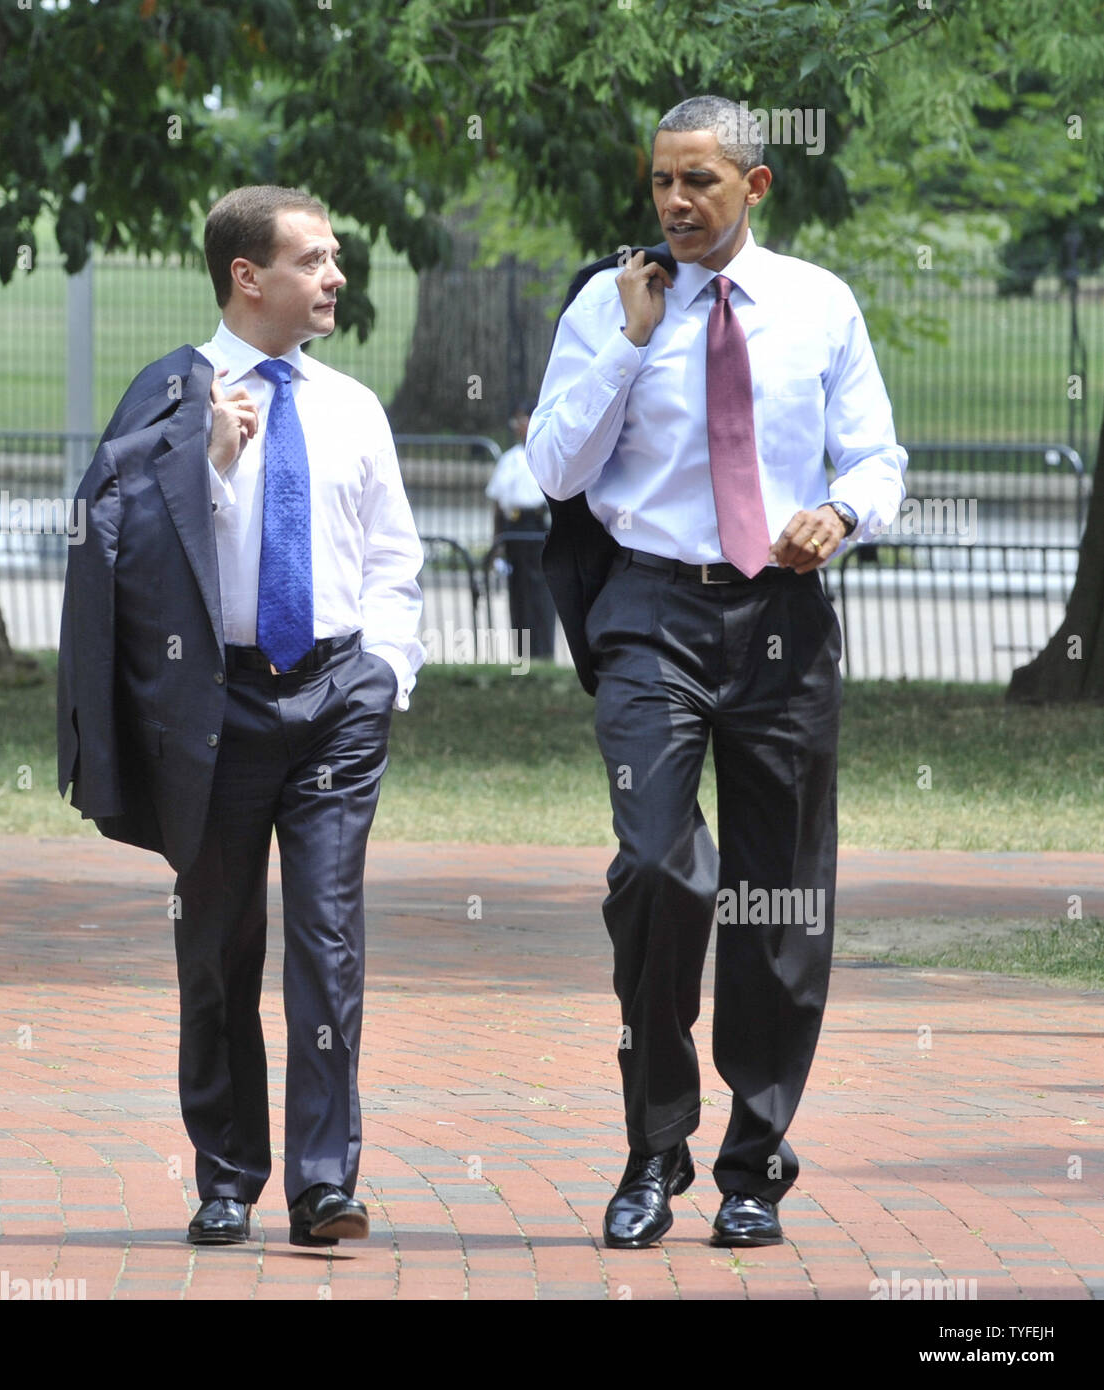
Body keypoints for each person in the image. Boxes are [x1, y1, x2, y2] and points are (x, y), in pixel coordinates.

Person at [526, 96, 906, 1249]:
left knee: (779, 892)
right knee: (656, 868)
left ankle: (754, 1158)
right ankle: (654, 1147)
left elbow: (879, 454)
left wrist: (840, 510)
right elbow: (552, 462)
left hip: (781, 616)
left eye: (701, 182)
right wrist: (635, 338)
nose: (677, 204)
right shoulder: (611, 299)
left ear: (756, 185)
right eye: (661, 184)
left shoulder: (819, 304)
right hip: (648, 606)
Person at [57, 185, 425, 1249]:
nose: (336, 277)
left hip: (336, 701)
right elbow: (113, 548)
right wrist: (209, 466)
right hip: (211, 706)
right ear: (247, 277)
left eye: (336, 257)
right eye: (314, 259)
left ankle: (324, 1183)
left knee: (326, 936)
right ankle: (227, 1174)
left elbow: (394, 554)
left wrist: (387, 673)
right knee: (218, 945)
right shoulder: (171, 404)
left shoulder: (353, 405)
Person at [485, 401, 556, 661]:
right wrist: (497, 543)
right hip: (515, 528)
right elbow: (497, 505)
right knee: (520, 592)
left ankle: (544, 651)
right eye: (516, 421)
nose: (519, 426)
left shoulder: (547, 455)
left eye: (523, 419)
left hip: (539, 527)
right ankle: (524, 653)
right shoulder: (511, 459)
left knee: (543, 592)